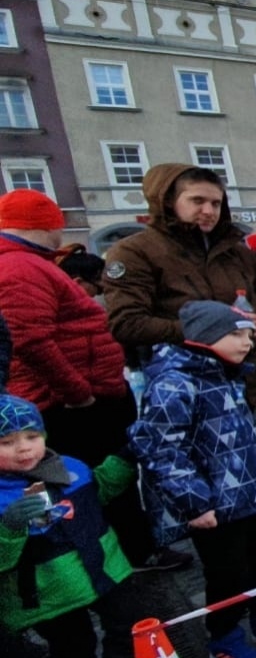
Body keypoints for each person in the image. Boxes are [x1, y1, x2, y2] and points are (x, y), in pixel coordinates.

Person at [103, 164, 256, 574]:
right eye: (197, 200)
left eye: (215, 202)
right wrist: (203, 333)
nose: (208, 210)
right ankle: (237, 569)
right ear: (168, 201)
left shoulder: (237, 251)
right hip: (201, 393)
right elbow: (126, 322)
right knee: (220, 483)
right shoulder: (135, 251)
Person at [0, 190, 184, 576]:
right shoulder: (19, 267)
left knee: (106, 478)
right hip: (75, 405)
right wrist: (79, 394)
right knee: (101, 481)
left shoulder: (26, 263)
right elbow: (30, 340)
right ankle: (127, 555)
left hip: (81, 395)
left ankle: (128, 550)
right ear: (48, 225)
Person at [128, 300, 256, 658]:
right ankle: (223, 634)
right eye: (235, 334)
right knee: (227, 572)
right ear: (205, 337)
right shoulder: (173, 384)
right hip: (214, 504)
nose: (246, 342)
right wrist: (194, 502)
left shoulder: (226, 373)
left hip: (252, 491)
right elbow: (160, 449)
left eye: (247, 334)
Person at [0, 393, 142, 658]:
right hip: (47, 593)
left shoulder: (70, 467)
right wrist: (9, 527)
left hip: (103, 570)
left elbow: (99, 492)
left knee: (129, 617)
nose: (23, 448)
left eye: (32, 437)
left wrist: (124, 460)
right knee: (73, 646)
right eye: (6, 442)